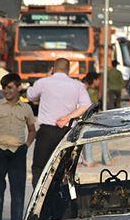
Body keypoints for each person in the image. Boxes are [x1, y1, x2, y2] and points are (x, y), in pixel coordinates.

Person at [0, 72, 36, 220]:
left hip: (18, 153)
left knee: (18, 191)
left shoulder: (26, 108)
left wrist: (25, 147)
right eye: (4, 88)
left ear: (18, 88)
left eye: (10, 88)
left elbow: (32, 130)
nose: (6, 91)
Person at [26, 57, 91, 185]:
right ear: (68, 70)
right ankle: (58, 198)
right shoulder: (77, 85)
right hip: (66, 132)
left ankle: (41, 200)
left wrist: (46, 78)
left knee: (40, 167)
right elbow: (86, 106)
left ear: (53, 69)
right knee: (61, 168)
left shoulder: (43, 82)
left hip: (46, 131)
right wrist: (68, 117)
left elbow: (31, 96)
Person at [80, 72, 111, 165]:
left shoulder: (94, 90)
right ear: (94, 80)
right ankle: (91, 160)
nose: (100, 82)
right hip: (89, 118)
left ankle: (105, 159)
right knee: (91, 139)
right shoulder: (88, 91)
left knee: (102, 137)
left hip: (94, 117)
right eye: (98, 80)